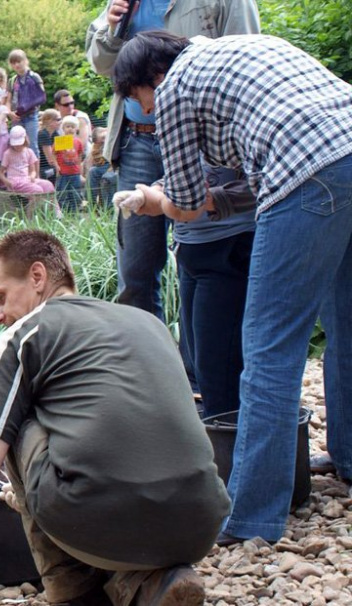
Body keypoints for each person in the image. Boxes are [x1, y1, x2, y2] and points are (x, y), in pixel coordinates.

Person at [112, 30, 352, 545]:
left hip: (309, 171)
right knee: (347, 321)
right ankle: (349, 455)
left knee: (268, 346)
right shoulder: (242, 49)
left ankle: (252, 516)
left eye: (136, 101)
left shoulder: (174, 89)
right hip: (344, 147)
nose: (142, 113)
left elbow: (188, 205)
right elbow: (244, 185)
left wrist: (153, 200)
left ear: (150, 78)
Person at [0, 229, 229, 606]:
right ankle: (148, 582)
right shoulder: (146, 322)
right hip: (201, 523)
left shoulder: (26, 333)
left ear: (38, 277)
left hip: (94, 521)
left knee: (13, 421)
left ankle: (72, 589)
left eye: (2, 297)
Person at [86, 0, 260, 321]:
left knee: (205, 256)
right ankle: (147, 363)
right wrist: (111, 31)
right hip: (136, 138)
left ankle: (199, 360)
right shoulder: (126, 3)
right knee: (135, 268)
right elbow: (103, 66)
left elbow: (246, 56)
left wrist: (166, 198)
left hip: (206, 134)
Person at [114, 165, 255, 418]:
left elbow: (256, 181)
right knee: (200, 357)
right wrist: (152, 193)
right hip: (190, 249)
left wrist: (189, 200)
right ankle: (215, 429)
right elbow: (182, 171)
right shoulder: (188, 131)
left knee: (218, 365)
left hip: (230, 246)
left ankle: (227, 441)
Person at [0, 126, 58, 219]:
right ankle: (31, 217)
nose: (17, 146)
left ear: (25, 139)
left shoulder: (29, 151)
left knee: (48, 185)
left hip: (27, 179)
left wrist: (33, 176)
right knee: (37, 190)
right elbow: (0, 172)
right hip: (15, 181)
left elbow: (33, 170)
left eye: (19, 143)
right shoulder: (8, 153)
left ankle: (54, 213)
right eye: (15, 143)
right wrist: (6, 181)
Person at [7, 49, 46, 160]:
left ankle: (35, 174)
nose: (17, 65)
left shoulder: (34, 77)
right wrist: (10, 113)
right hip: (16, 116)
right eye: (13, 63)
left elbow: (41, 96)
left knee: (32, 145)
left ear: (25, 61)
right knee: (16, 145)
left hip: (31, 115)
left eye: (19, 61)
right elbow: (8, 100)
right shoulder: (12, 80)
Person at [53, 89, 91, 173]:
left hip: (83, 159)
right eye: (66, 104)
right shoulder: (57, 119)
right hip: (64, 161)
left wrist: (59, 144)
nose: (70, 107)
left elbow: (82, 144)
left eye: (72, 103)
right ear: (57, 106)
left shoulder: (80, 118)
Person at [54, 116, 85, 212]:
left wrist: (80, 171)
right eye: (67, 126)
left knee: (75, 192)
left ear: (76, 129)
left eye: (72, 126)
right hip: (63, 173)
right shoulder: (61, 140)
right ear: (63, 128)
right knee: (63, 193)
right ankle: (64, 212)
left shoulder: (78, 142)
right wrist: (57, 167)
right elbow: (54, 154)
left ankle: (74, 211)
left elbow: (79, 156)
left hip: (75, 173)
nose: (70, 129)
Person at [87, 127, 116, 209]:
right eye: (101, 141)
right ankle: (91, 203)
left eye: (104, 138)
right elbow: (96, 161)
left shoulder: (114, 138)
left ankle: (108, 208)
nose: (103, 141)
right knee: (92, 171)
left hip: (113, 166)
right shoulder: (96, 146)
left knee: (106, 178)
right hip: (104, 166)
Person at [37, 109, 61, 184]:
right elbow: (50, 159)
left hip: (53, 165)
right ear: (49, 121)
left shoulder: (55, 133)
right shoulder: (43, 134)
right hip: (43, 168)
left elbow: (61, 152)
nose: (60, 122)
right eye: (58, 120)